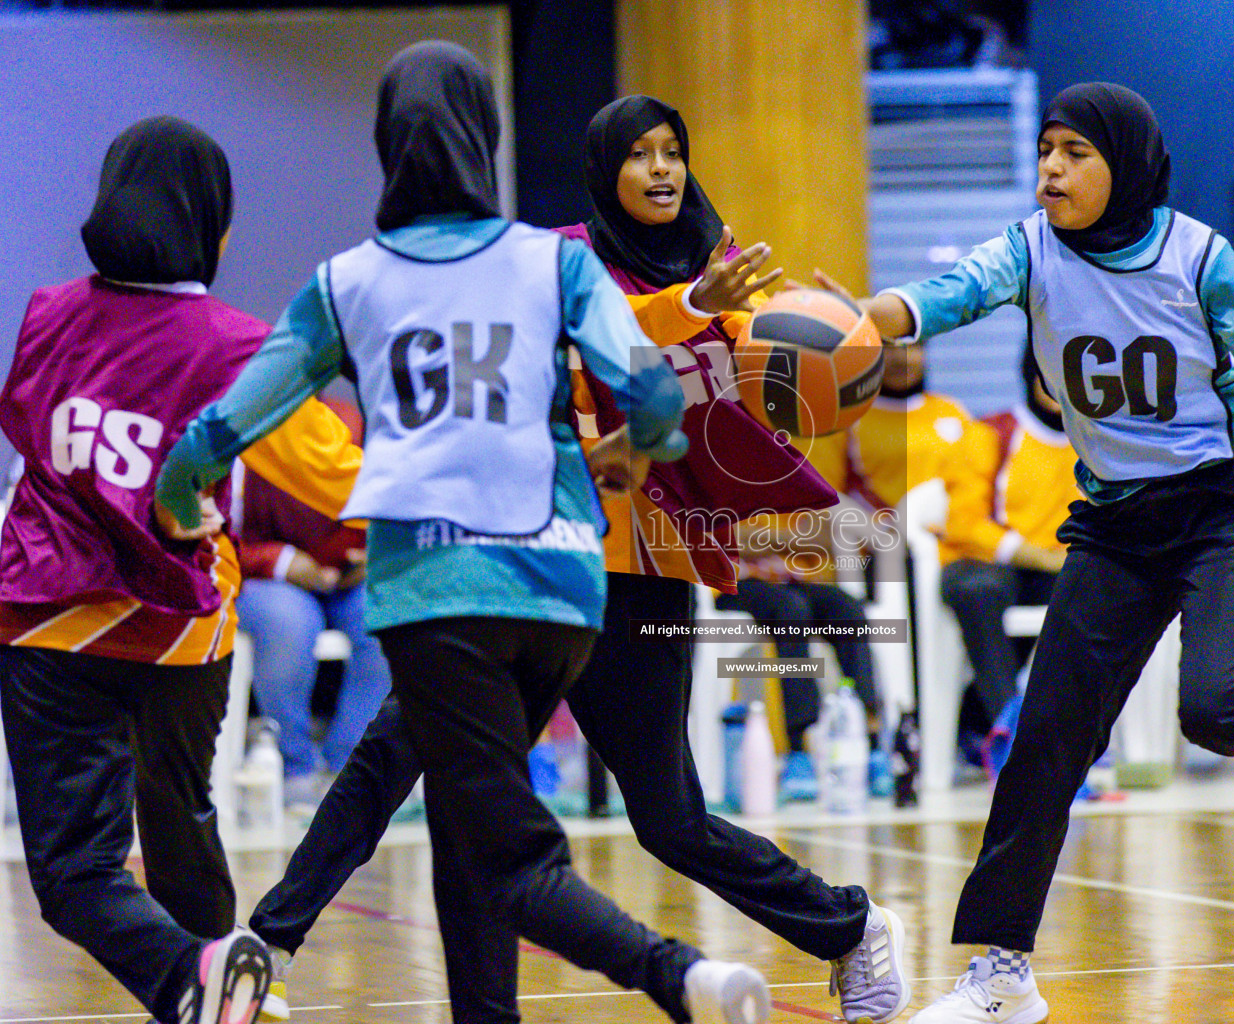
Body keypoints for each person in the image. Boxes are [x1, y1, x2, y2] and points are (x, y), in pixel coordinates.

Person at [241, 89, 910, 1024]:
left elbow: (746, 426)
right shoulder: (554, 260)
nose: (662, 170)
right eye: (639, 155)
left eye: (673, 150)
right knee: (393, 759)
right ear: (605, 171)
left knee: (669, 822)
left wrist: (842, 367)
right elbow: (600, 356)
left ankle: (847, 929)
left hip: (648, 570)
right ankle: (267, 946)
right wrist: (684, 312)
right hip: (533, 560)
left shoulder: (745, 288)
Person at [157, 44, 770, 1024]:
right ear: (485, 136)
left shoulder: (347, 281)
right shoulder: (556, 259)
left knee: (500, 845)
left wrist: (178, 488)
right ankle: (306, 955)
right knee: (456, 815)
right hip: (565, 589)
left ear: (387, 145)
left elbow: (230, 425)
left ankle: (681, 976)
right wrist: (632, 450)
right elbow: (655, 389)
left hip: (441, 593)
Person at [826, 82, 1234, 1024]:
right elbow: (948, 295)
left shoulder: (1200, 259)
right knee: (1047, 745)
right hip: (1115, 525)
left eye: (1075, 154)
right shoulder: (1030, 249)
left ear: (1127, 164)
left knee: (1220, 714)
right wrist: (866, 314)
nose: (1051, 169)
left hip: (1228, 509)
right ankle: (1003, 975)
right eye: (1046, 151)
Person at [0, 115, 367, 1024]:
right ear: (214, 225)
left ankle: (197, 980)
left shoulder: (46, 311)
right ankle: (214, 982)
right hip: (179, 628)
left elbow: (33, 441)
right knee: (181, 821)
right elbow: (336, 481)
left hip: (50, 619)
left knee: (77, 873)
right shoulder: (237, 345)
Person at [844, 339, 1027, 770]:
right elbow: (833, 491)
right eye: (890, 348)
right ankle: (915, 733)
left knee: (994, 593)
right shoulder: (851, 419)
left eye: (914, 347)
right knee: (913, 575)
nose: (904, 358)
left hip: (954, 552)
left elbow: (971, 490)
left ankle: (973, 720)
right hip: (883, 556)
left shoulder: (952, 413)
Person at [233, 399, 391, 806]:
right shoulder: (240, 424)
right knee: (288, 621)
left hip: (348, 574)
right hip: (263, 572)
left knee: (387, 616)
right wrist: (283, 562)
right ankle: (294, 765)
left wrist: (376, 553)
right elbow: (218, 538)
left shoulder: (355, 420)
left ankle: (350, 769)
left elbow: (393, 510)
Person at [939, 350, 1076, 770]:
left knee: (1090, 589)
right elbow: (963, 524)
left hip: (1055, 571)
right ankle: (1012, 736)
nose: (1058, 386)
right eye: (1048, 374)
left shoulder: (1099, 442)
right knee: (980, 589)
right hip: (984, 563)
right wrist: (1034, 554)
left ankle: (1076, 736)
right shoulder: (992, 432)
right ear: (1029, 376)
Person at [727, 508, 887, 801]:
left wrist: (768, 540)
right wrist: (791, 540)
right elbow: (724, 539)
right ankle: (799, 747)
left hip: (795, 583)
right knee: (791, 611)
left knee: (848, 610)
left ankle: (871, 739)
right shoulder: (724, 478)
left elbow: (825, 538)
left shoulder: (792, 474)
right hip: (736, 584)